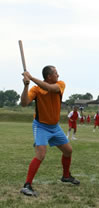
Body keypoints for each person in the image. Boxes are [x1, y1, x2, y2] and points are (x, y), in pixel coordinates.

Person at [20, 65, 80, 197]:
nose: (58, 75)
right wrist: (26, 85)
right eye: (56, 73)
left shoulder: (60, 84)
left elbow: (49, 88)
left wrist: (31, 77)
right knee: (41, 154)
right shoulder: (36, 89)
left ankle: (65, 176)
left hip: (55, 127)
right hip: (41, 126)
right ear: (49, 76)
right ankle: (27, 186)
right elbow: (24, 103)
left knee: (68, 150)